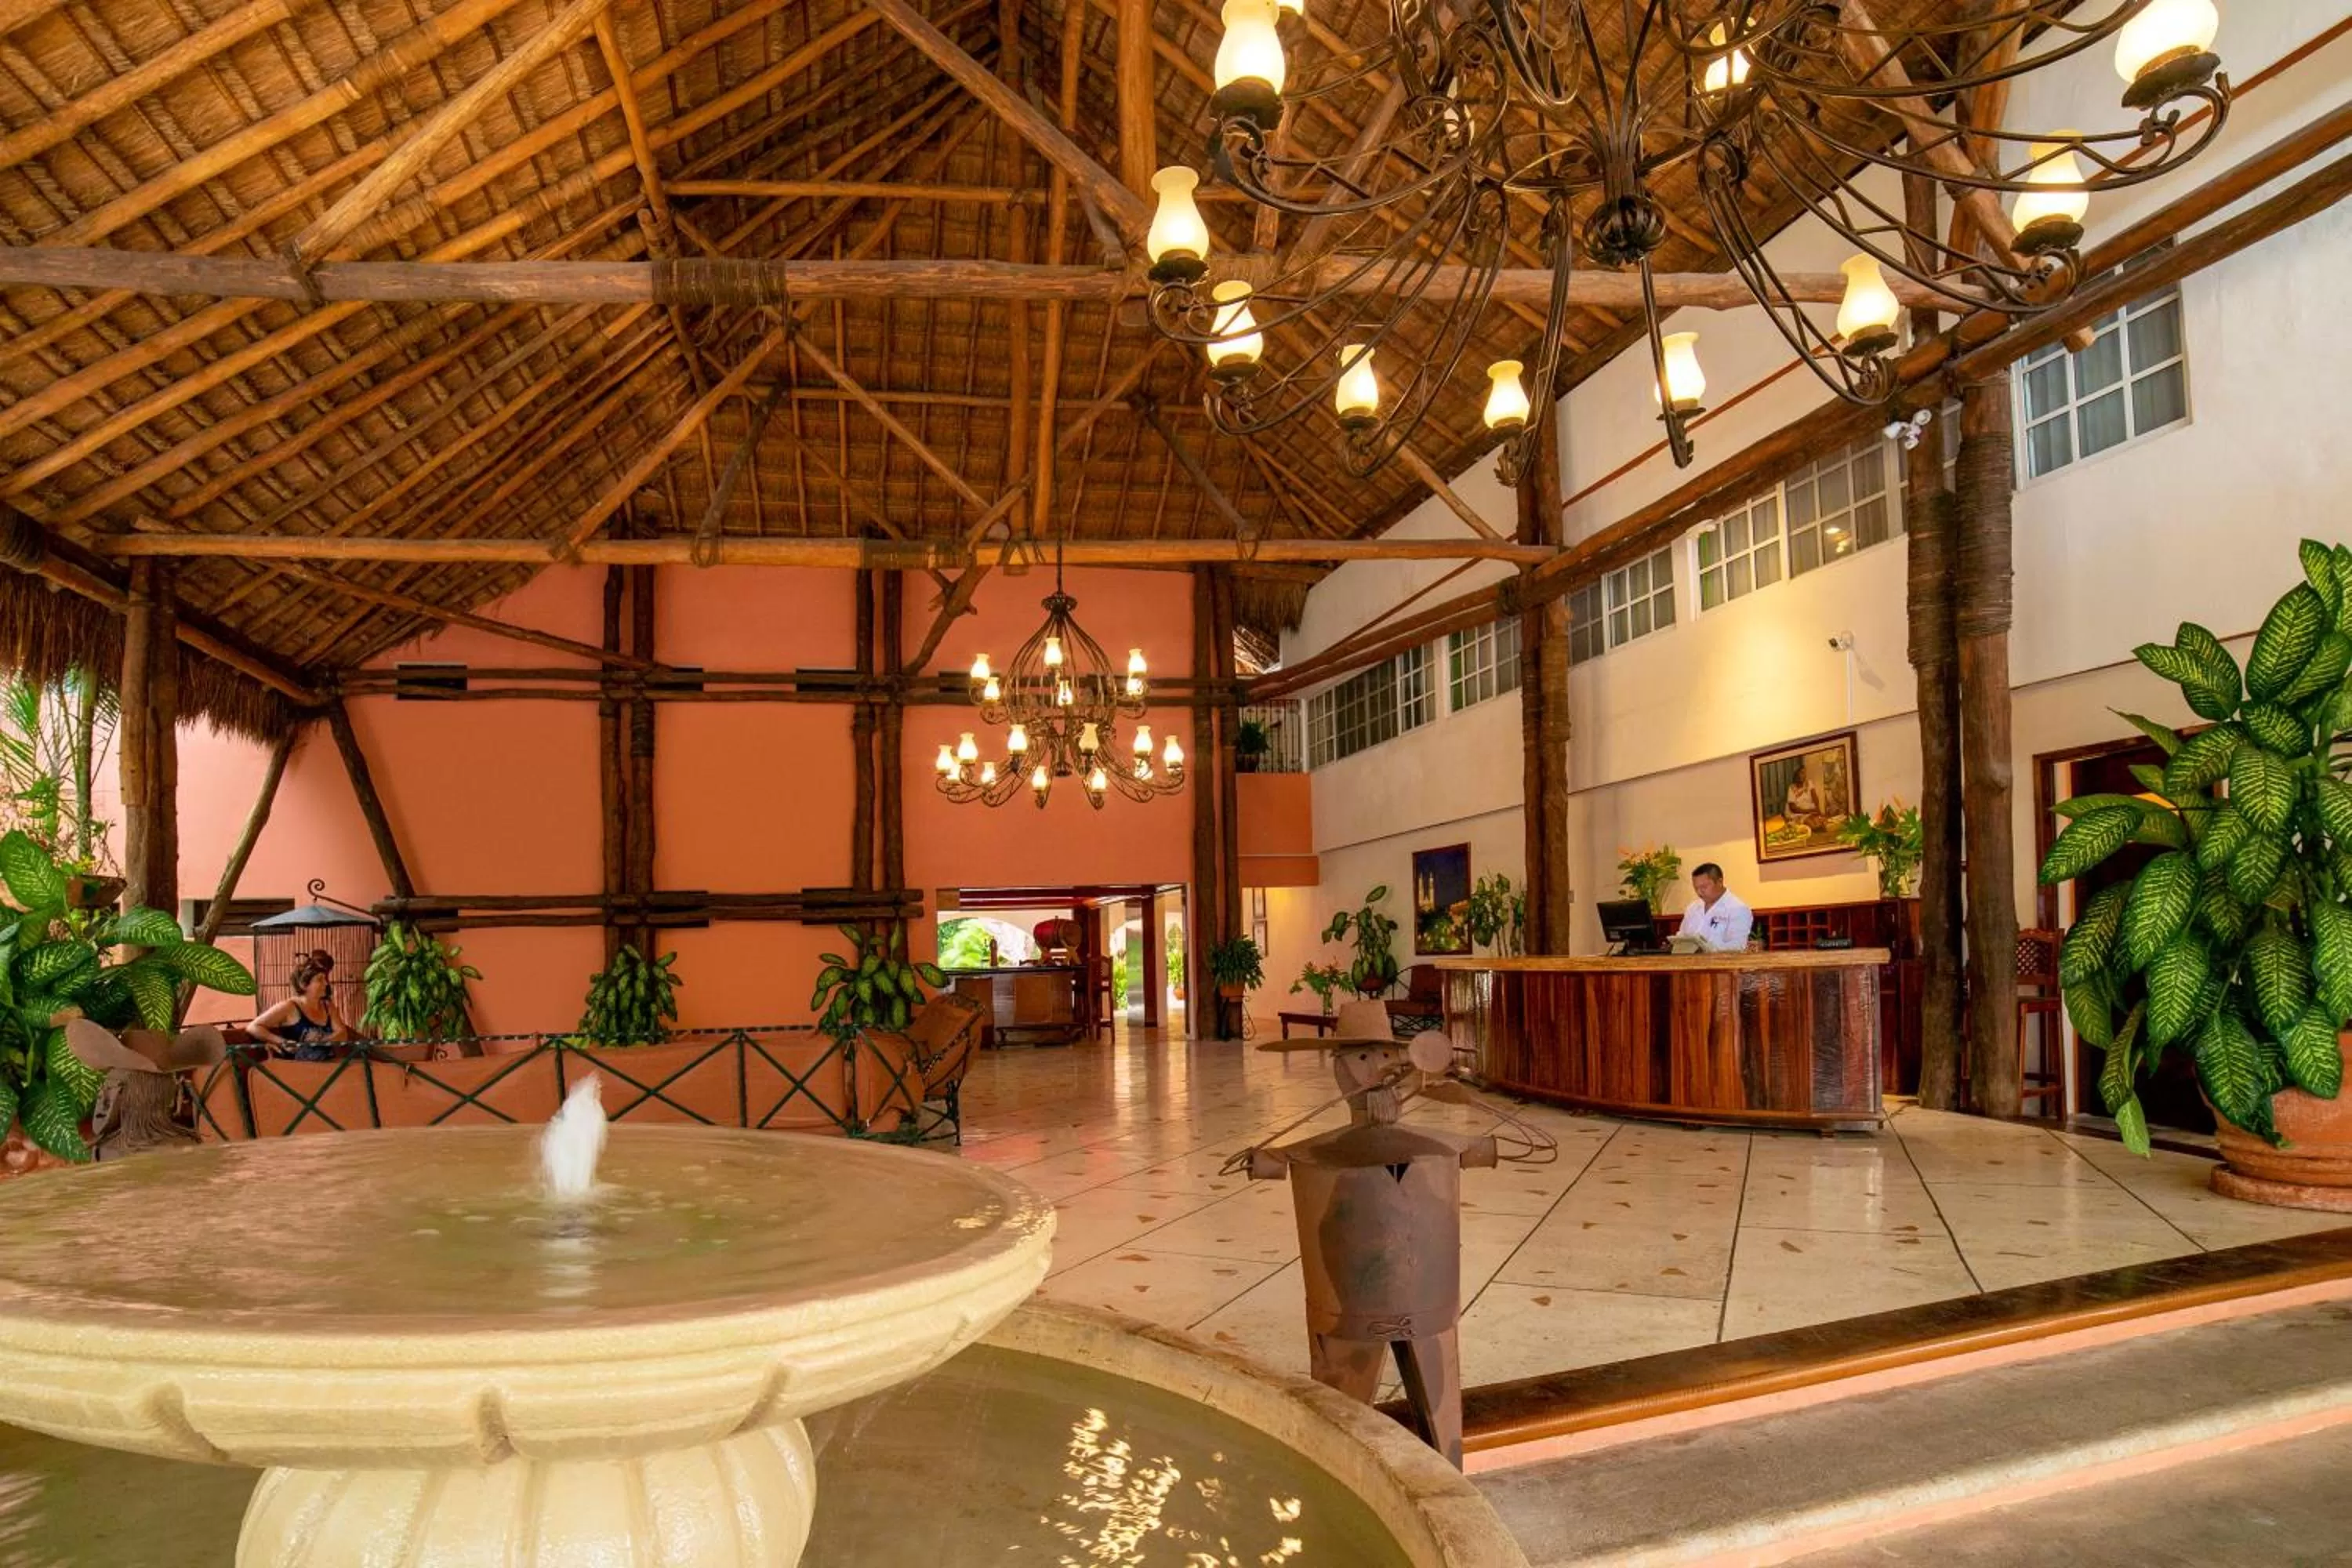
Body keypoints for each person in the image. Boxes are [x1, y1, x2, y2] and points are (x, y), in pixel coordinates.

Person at [246, 953, 359, 1061]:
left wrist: (320, 1042)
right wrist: (282, 1042)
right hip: (299, 1067)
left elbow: (342, 1034)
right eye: (320, 979)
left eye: (325, 979)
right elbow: (253, 1027)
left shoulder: (328, 1006)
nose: (326, 983)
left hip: (328, 1064)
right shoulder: (290, 1007)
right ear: (304, 984)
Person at [1677, 863, 1754, 953]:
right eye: (1696, 888)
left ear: (1720, 882)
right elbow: (1682, 936)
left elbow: (1738, 946)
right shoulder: (1692, 908)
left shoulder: (1738, 909)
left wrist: (1705, 949)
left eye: (1704, 887)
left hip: (1721, 964)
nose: (1699, 893)